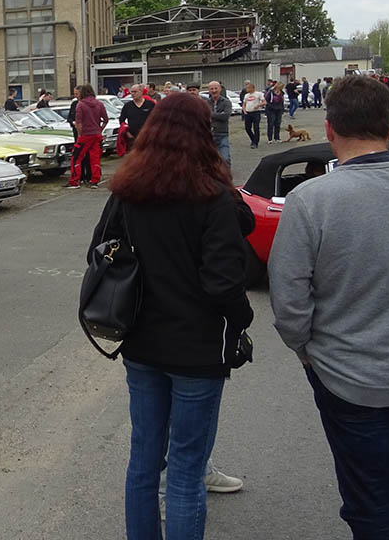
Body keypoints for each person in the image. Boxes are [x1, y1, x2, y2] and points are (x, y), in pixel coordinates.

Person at [269, 75, 389, 539]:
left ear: (329, 129)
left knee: (370, 505)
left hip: (350, 380)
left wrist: (305, 350)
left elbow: (289, 296)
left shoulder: (310, 200)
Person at [92, 92, 254, 540]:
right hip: (197, 350)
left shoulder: (129, 191)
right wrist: (243, 321)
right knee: (184, 470)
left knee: (144, 461)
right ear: (203, 134)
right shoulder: (212, 197)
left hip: (141, 340)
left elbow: (99, 253)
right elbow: (223, 283)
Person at [65, 84, 108, 189]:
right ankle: (94, 181)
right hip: (97, 135)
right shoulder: (99, 104)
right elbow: (106, 119)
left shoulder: (81, 104)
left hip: (85, 135)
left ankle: (75, 181)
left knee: (76, 157)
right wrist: (100, 129)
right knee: (95, 158)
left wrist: (80, 133)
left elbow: (78, 121)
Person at [118, 86, 155, 157]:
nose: (132, 94)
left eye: (135, 92)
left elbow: (156, 119)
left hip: (147, 138)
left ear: (141, 92)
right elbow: (121, 120)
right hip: (132, 138)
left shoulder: (150, 104)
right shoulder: (127, 106)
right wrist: (127, 132)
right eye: (131, 92)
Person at [208, 81, 232, 167]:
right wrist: (219, 115)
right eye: (212, 89)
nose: (214, 90)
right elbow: (203, 116)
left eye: (216, 88)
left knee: (225, 159)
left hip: (222, 134)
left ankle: (227, 177)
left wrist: (211, 114)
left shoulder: (226, 102)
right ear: (209, 90)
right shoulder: (206, 102)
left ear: (220, 89)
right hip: (209, 135)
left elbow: (225, 116)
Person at [241, 82, 265, 149]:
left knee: (256, 128)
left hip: (256, 113)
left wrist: (258, 105)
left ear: (252, 88)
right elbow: (244, 104)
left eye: (248, 88)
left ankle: (255, 143)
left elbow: (264, 102)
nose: (246, 89)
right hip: (248, 113)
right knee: (247, 128)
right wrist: (244, 111)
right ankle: (253, 139)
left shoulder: (258, 94)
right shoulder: (246, 95)